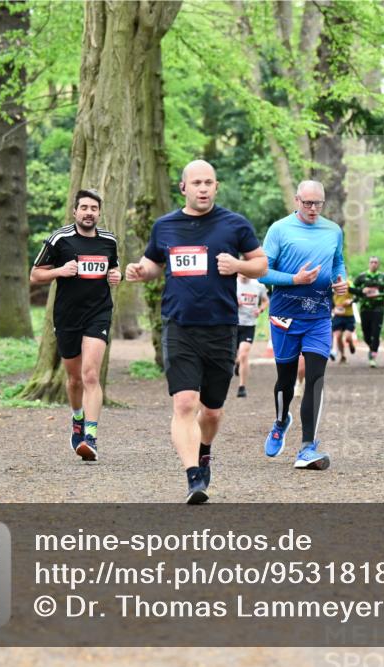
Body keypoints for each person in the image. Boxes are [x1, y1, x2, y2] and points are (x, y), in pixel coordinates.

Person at [126, 160, 267, 504]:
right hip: (179, 326)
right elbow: (153, 264)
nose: (203, 188)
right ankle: (193, 478)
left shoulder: (234, 225)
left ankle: (204, 450)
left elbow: (261, 263)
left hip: (221, 327)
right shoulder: (165, 226)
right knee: (185, 402)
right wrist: (139, 270)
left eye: (209, 182)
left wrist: (238, 266)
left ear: (216, 187)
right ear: (183, 188)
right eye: (197, 183)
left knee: (213, 410)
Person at [260, 180, 347, 471]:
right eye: (307, 203)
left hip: (320, 316)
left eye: (318, 203)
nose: (312, 208)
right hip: (284, 315)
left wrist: (340, 281)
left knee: (315, 379)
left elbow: (338, 263)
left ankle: (308, 447)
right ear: (297, 200)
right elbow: (262, 273)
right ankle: (281, 420)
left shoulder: (333, 230)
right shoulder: (279, 229)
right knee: (285, 379)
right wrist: (294, 280)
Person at [30, 189, 121, 462]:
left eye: (94, 208)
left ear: (99, 213)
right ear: (75, 211)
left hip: (98, 313)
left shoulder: (109, 241)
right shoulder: (60, 239)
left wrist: (116, 275)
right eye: (84, 207)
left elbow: (113, 269)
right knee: (74, 379)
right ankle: (78, 419)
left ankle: (90, 438)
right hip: (67, 317)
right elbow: (35, 274)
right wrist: (60, 271)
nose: (89, 212)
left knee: (91, 374)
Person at [352, 256, 384, 368]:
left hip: (378, 309)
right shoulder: (362, 277)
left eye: (376, 262)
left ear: (378, 264)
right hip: (365, 308)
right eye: (372, 262)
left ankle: (373, 356)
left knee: (376, 333)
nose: (374, 264)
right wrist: (361, 291)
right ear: (369, 264)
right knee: (366, 334)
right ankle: (372, 348)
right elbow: (352, 289)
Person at [235, 274, 269, 398]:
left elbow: (266, 301)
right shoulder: (232, 283)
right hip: (232, 324)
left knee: (244, 354)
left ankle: (242, 387)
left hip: (249, 324)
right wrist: (233, 302)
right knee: (233, 356)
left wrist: (260, 310)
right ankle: (237, 362)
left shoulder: (258, 285)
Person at [331, 279, 356, 363]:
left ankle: (351, 345)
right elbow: (329, 301)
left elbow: (358, 294)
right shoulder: (332, 285)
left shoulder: (349, 283)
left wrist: (351, 301)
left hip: (349, 316)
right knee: (336, 335)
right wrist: (334, 310)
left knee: (347, 337)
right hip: (338, 316)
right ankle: (337, 353)